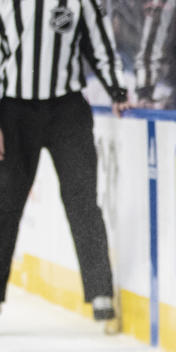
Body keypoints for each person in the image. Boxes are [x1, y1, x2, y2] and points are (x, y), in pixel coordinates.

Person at [0, 0, 129, 325]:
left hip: (66, 110)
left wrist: (117, 89)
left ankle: (100, 292)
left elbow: (100, 45)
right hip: (12, 111)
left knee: (82, 198)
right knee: (5, 205)